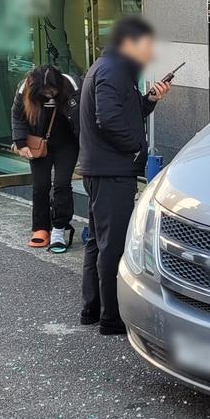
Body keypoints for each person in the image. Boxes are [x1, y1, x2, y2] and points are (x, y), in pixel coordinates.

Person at [76, 16, 170, 335]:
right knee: (113, 244)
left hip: (102, 168)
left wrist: (149, 102)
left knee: (98, 242)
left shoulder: (109, 67)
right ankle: (111, 317)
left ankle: (92, 308)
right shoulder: (114, 70)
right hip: (111, 170)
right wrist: (133, 147)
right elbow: (109, 118)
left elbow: (124, 113)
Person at [10, 64, 81, 253]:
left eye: (52, 90)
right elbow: (17, 115)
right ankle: (40, 228)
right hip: (38, 143)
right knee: (40, 186)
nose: (49, 94)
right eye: (44, 91)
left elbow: (84, 115)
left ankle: (59, 229)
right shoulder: (26, 87)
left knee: (62, 184)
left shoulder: (72, 84)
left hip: (67, 143)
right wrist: (20, 142)